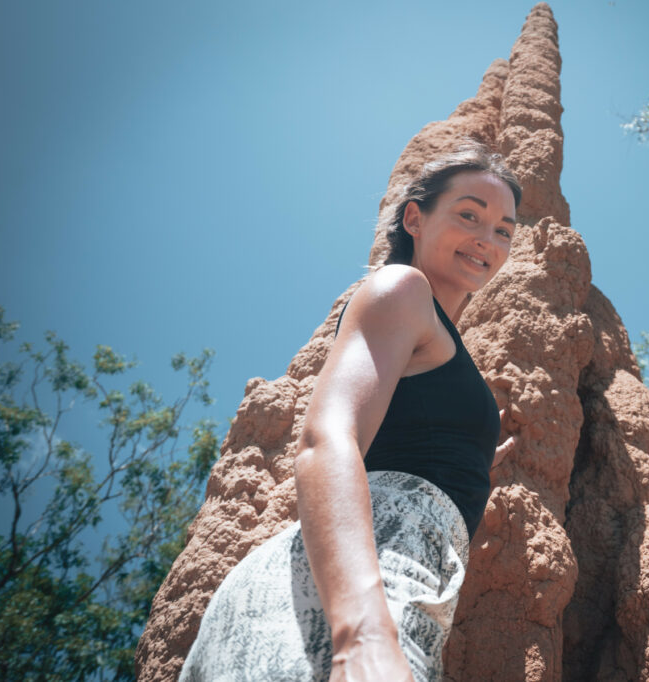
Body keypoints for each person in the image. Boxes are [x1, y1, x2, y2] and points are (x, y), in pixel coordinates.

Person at [178, 143, 522, 682]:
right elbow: (326, 440)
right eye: (469, 214)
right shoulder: (402, 287)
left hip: (369, 572)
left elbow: (409, 438)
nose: (488, 238)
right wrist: (361, 633)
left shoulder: (435, 335)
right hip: (373, 574)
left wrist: (472, 453)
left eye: (504, 229)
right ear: (415, 217)